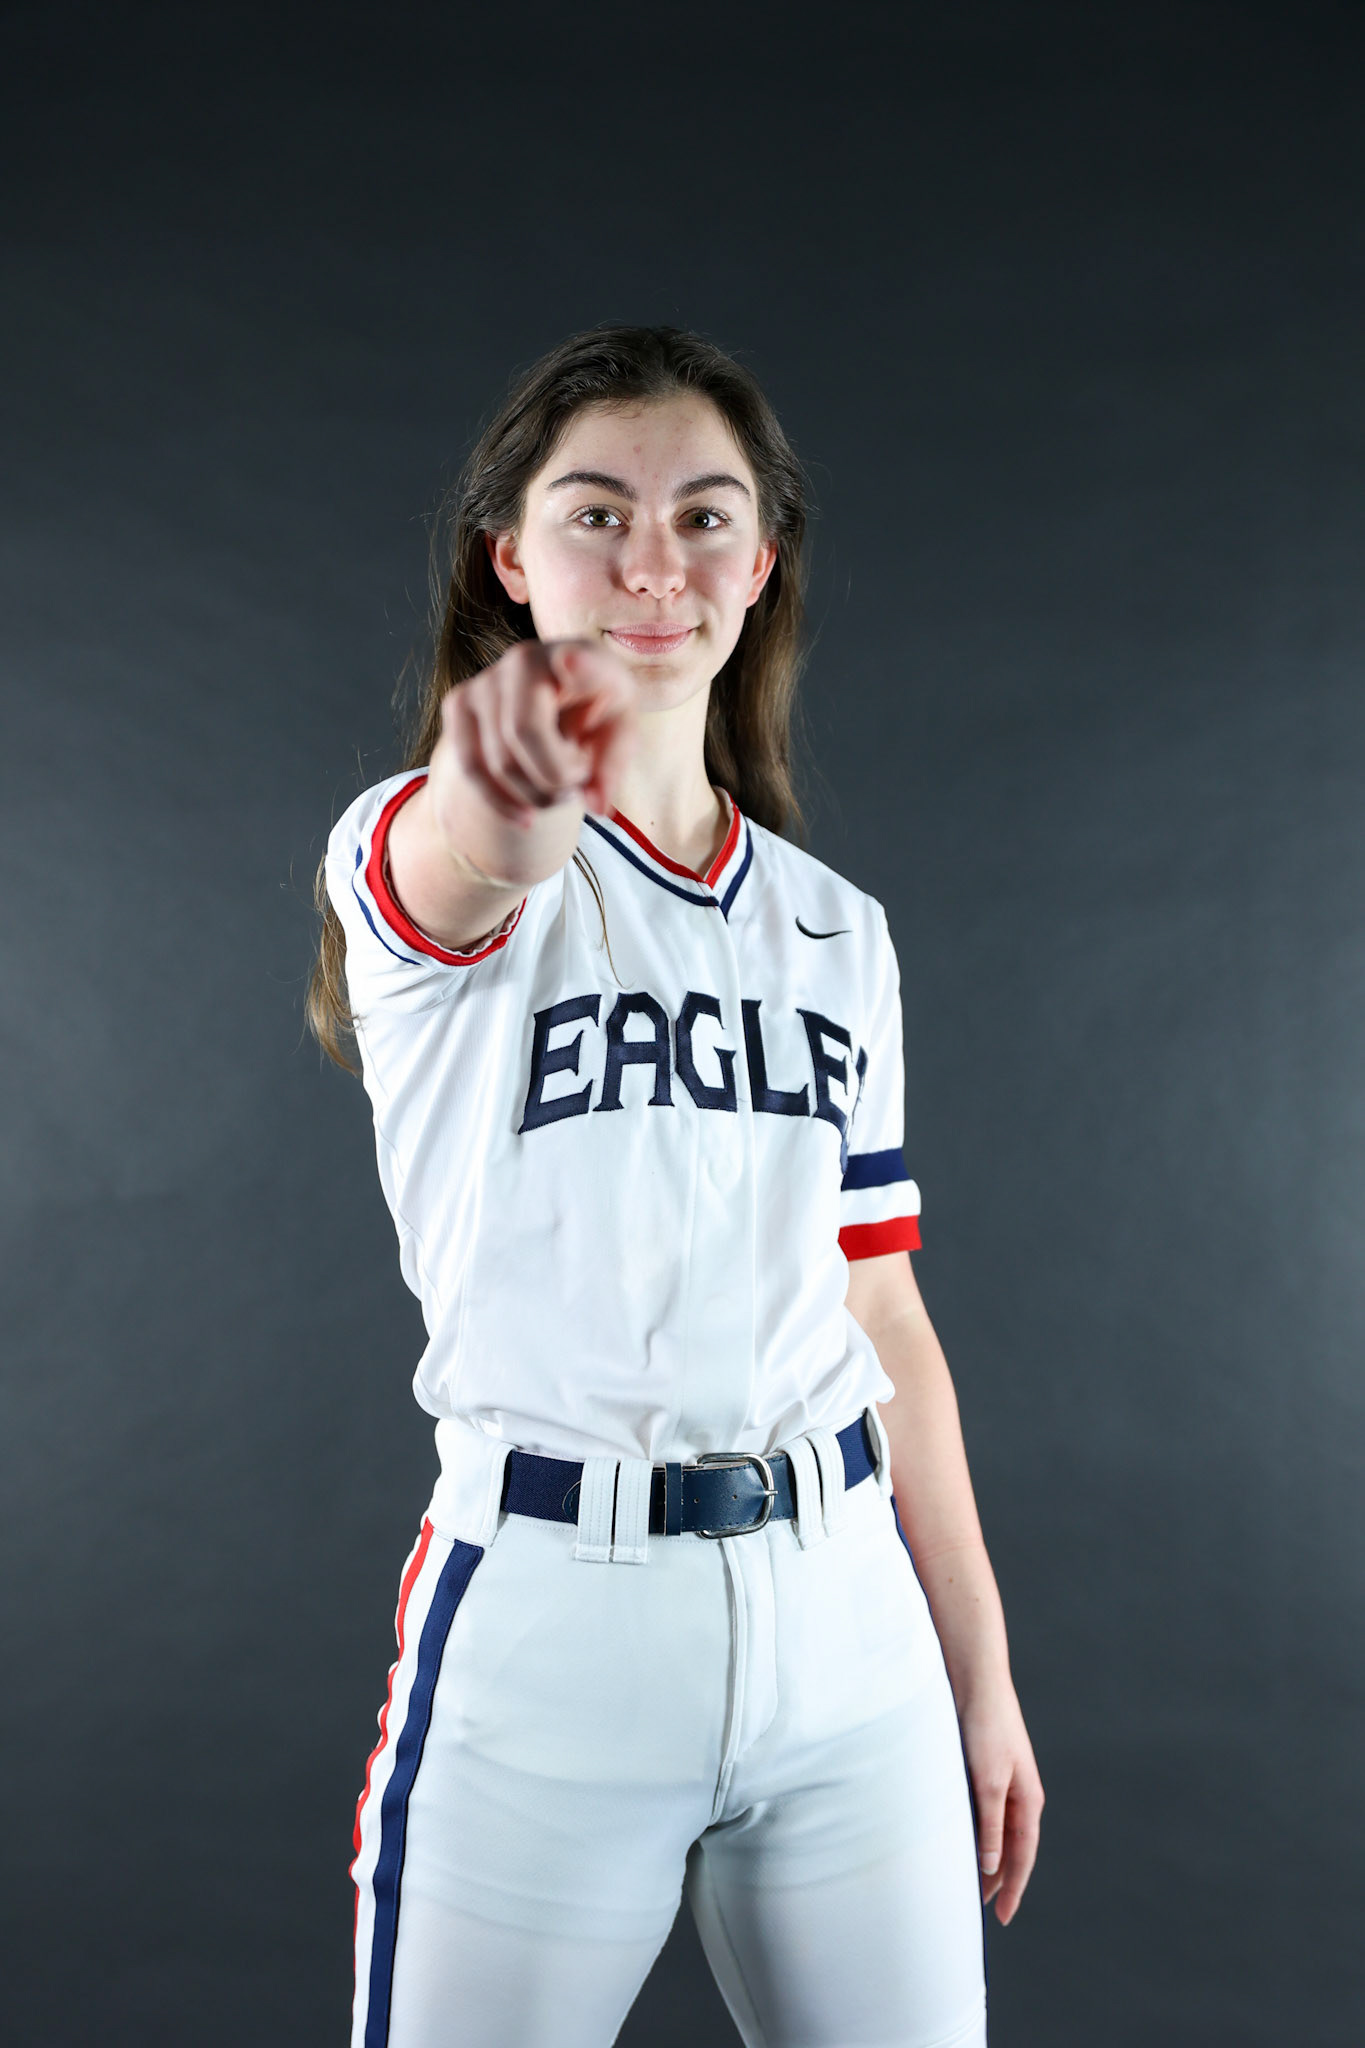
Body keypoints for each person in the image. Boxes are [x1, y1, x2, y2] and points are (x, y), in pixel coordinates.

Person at [308, 323, 1043, 2048]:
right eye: (597, 515)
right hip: (554, 1616)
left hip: (843, 1620)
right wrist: (536, 742)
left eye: (705, 517)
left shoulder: (833, 930)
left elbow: (881, 1312)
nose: (655, 561)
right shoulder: (411, 835)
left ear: (760, 562)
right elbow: (483, 844)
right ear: (507, 558)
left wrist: (978, 1669)